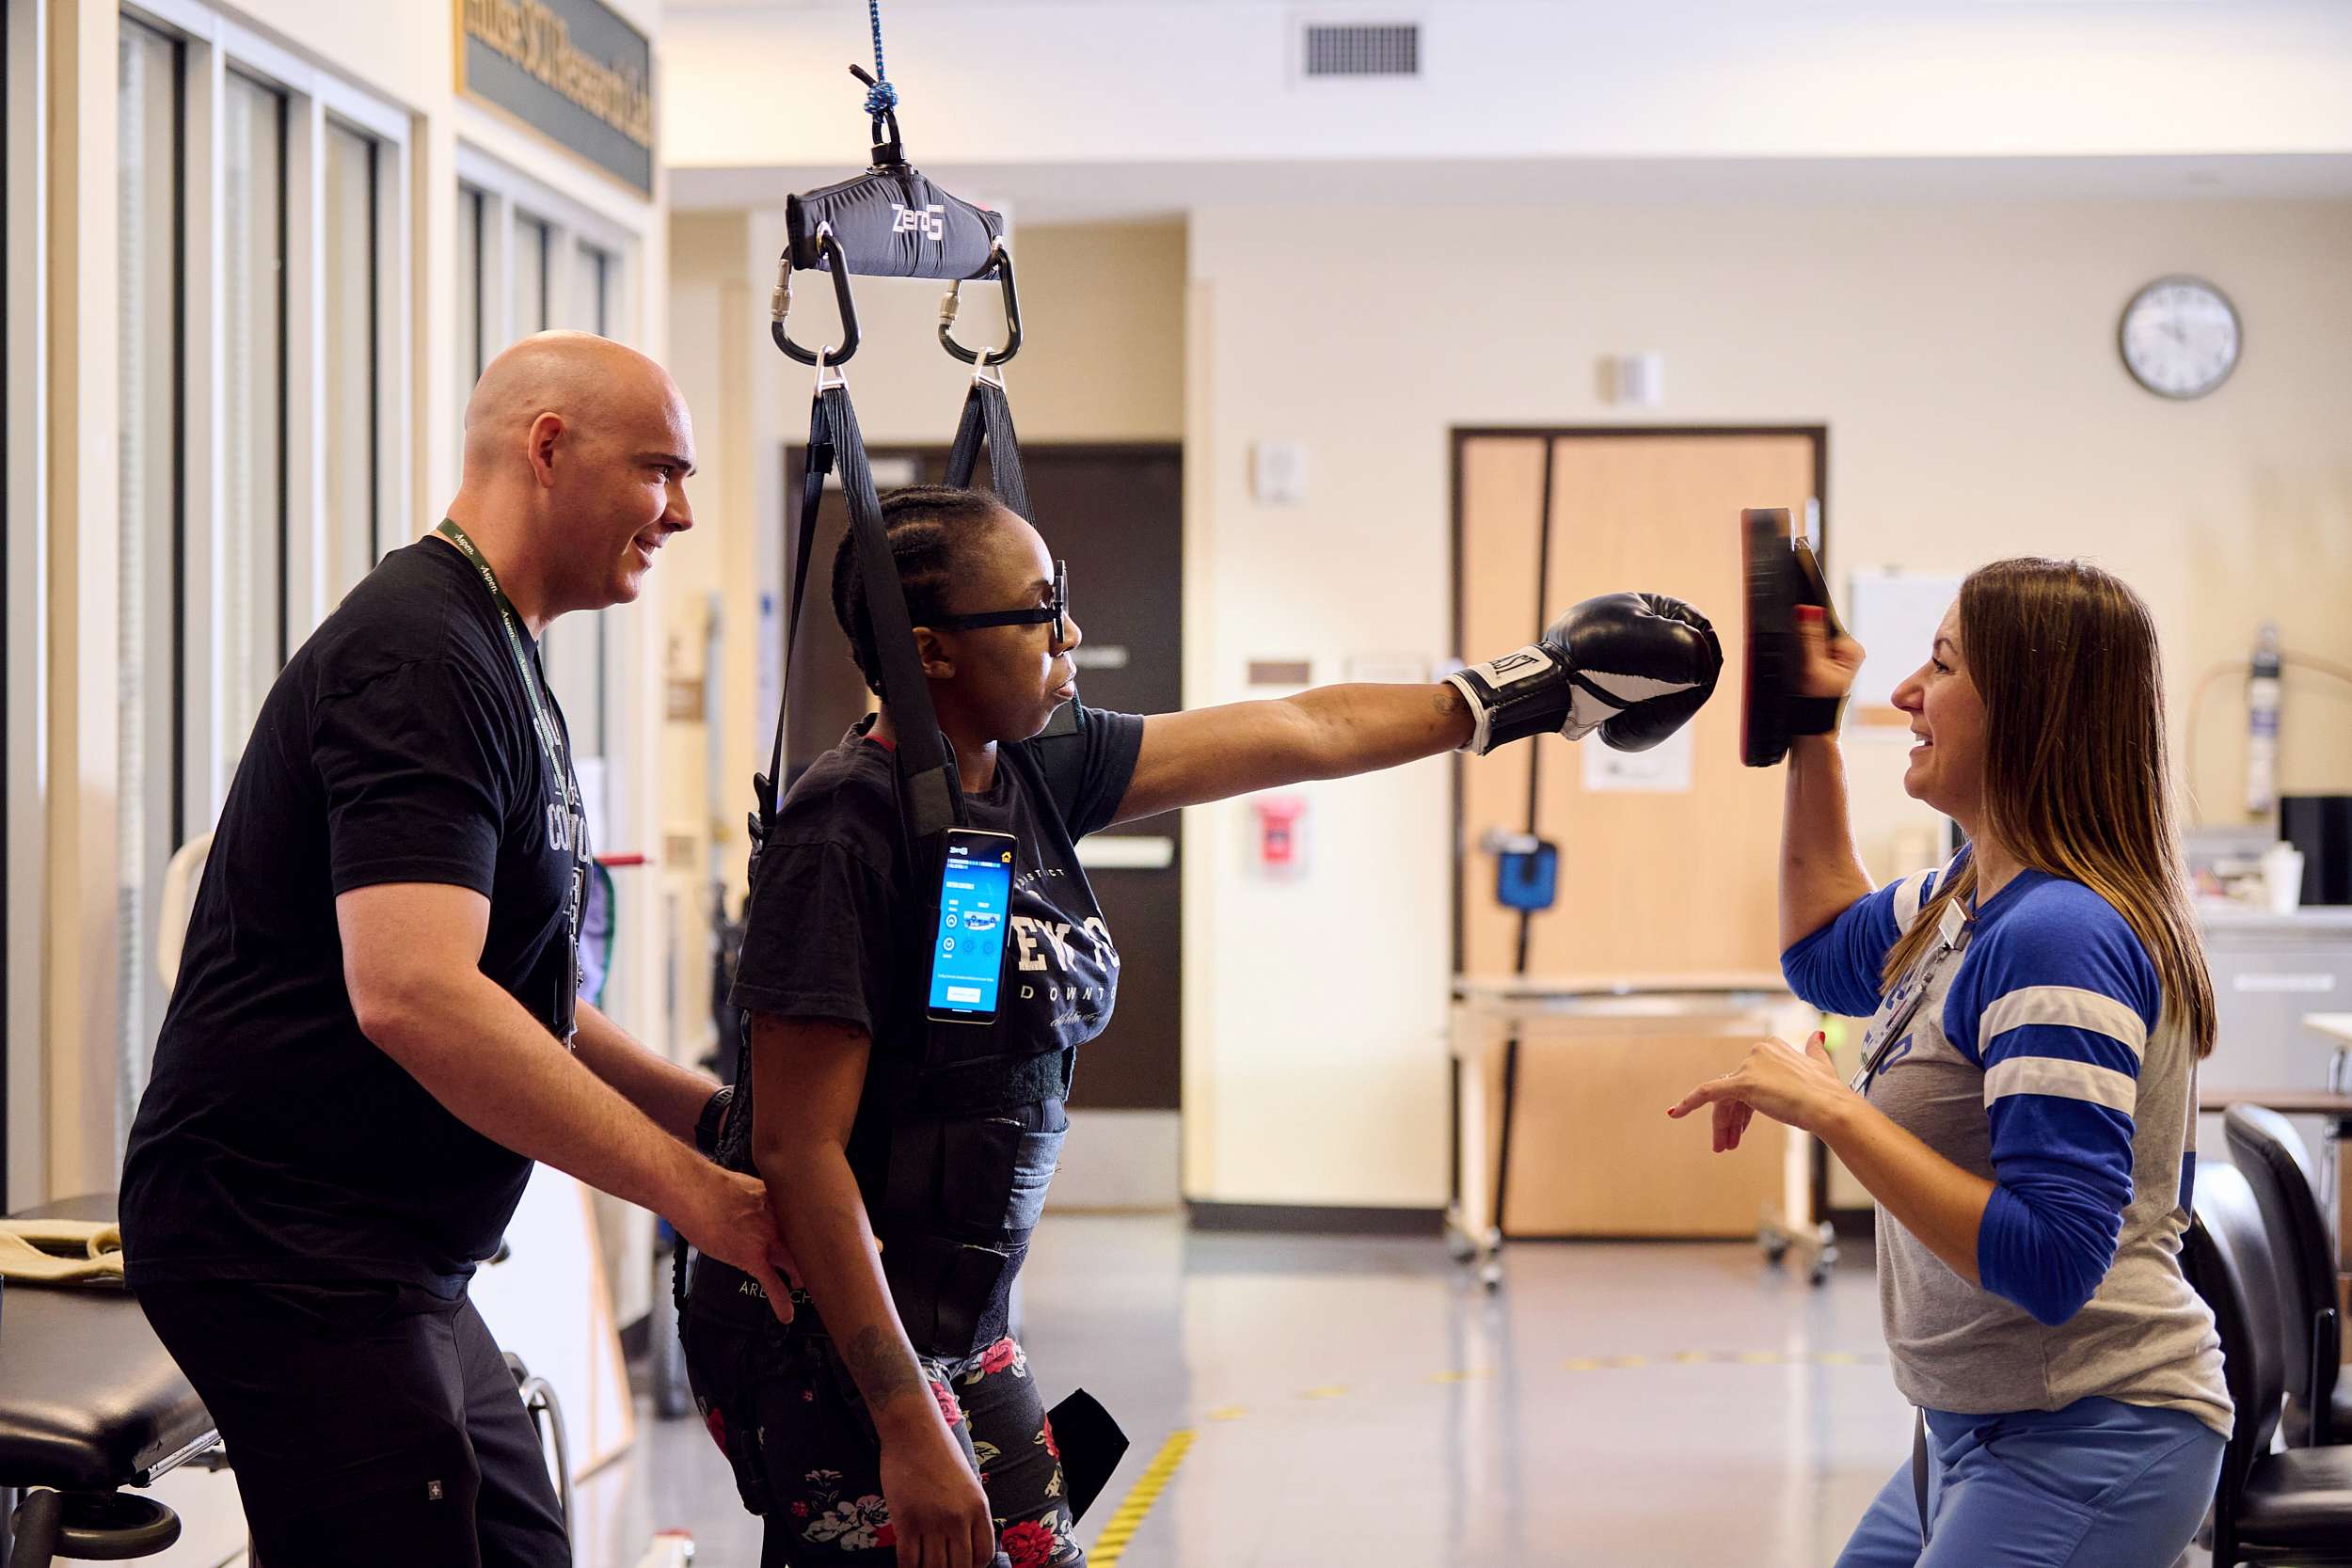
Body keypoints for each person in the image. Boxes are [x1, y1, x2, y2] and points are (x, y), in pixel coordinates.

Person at [680, 482, 1724, 1568]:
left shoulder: (1029, 768)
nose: (1068, 633)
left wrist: (1528, 694)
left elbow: (1300, 729)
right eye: (1039, 611)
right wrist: (904, 1418)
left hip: (964, 1322)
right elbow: (797, 1151)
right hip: (827, 1343)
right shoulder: (843, 825)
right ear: (932, 652)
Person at [119, 331, 796, 1567]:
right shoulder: (419, 654)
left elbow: (514, 992)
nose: (683, 512)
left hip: (391, 1253)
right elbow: (416, 994)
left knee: (520, 1539)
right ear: (549, 448)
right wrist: (694, 1195)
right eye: (662, 470)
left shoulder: (500, 647)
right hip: (284, 1245)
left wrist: (710, 1119)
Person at [1668, 558, 2230, 1567]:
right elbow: (1823, 945)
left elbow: (2053, 1260)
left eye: (1940, 665)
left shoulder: (2058, 935)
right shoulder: (1969, 894)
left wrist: (1837, 1111)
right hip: (1972, 1428)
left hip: (2089, 1433)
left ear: (2029, 707)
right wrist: (1810, 731)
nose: (1905, 694)